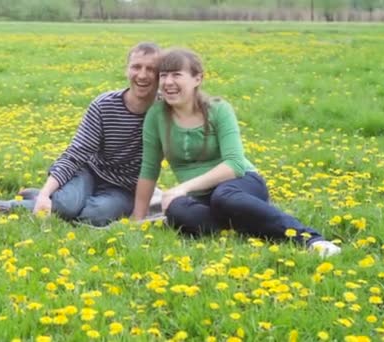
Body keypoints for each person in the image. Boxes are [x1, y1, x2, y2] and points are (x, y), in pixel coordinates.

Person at [131, 48, 341, 257]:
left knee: (224, 198)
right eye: (163, 75)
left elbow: (235, 165)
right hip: (201, 199)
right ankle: (247, 223)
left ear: (197, 79)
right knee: (177, 211)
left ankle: (311, 239)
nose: (168, 82)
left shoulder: (219, 110)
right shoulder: (156, 115)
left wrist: (182, 188)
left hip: (240, 184)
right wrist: (138, 218)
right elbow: (149, 168)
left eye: (177, 75)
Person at [0, 42, 161, 227]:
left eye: (151, 69)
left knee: (95, 216)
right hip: (89, 171)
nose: (142, 75)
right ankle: (17, 204)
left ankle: (53, 198)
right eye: (136, 67)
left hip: (123, 187)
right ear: (126, 70)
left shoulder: (165, 111)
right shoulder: (104, 105)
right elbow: (76, 153)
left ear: (160, 75)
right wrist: (45, 193)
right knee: (67, 207)